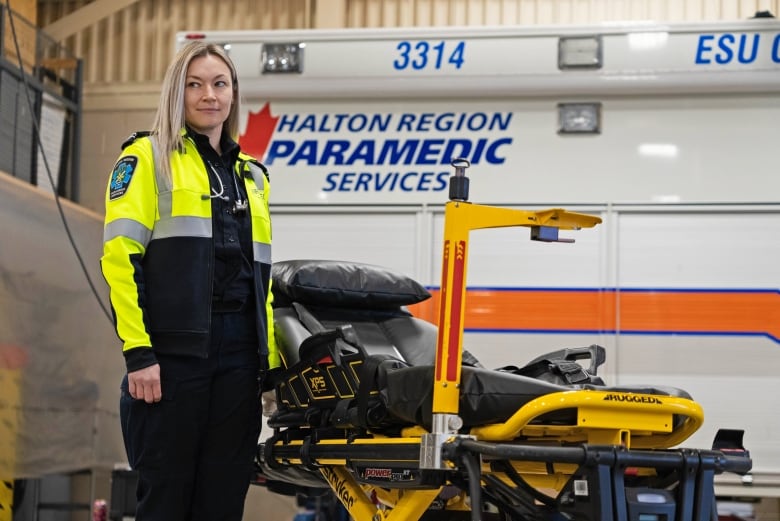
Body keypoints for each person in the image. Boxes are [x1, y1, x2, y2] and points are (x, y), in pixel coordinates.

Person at [101, 41, 278, 521]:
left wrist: (270, 365)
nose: (208, 95)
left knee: (223, 501)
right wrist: (139, 354)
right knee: (165, 501)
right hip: (171, 362)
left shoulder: (253, 178)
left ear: (233, 94)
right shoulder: (146, 159)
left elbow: (258, 281)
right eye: (194, 85)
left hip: (240, 362)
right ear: (177, 94)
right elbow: (120, 260)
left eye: (219, 84)